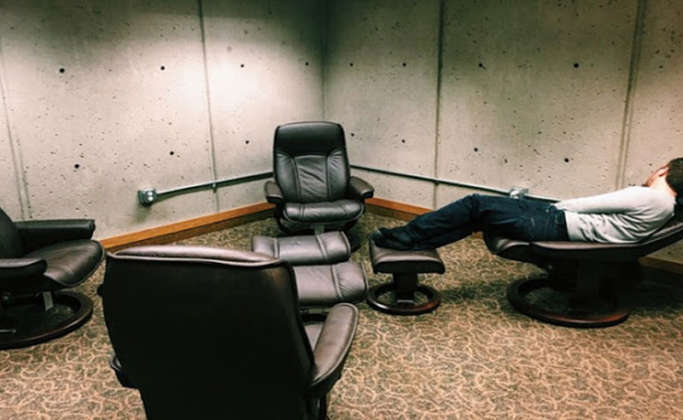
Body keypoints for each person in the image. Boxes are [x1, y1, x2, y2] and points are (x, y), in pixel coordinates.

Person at [370, 157, 682, 250]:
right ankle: (417, 241)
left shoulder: (648, 195)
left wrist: (548, 208)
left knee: (474, 203)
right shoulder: (668, 207)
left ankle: (408, 235)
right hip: (568, 228)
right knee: (479, 215)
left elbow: (588, 204)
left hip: (556, 223)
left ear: (663, 171)